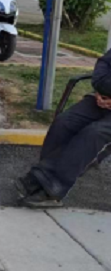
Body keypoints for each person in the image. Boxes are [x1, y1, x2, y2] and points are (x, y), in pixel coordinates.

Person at [16, 49, 111, 208]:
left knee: (94, 133)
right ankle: (41, 177)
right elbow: (104, 63)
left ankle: (53, 188)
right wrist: (100, 90)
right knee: (64, 122)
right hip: (102, 99)